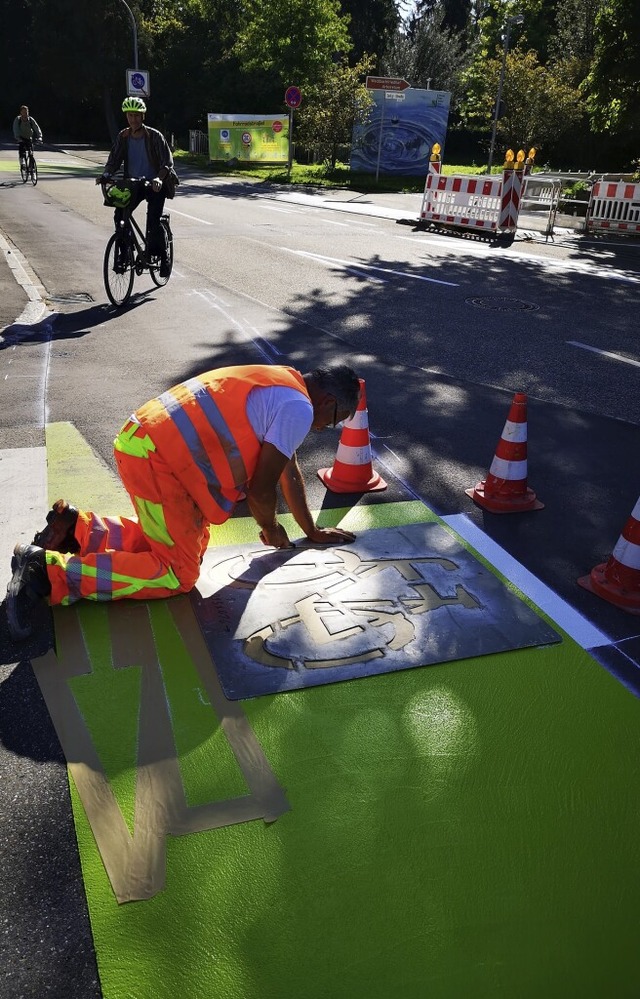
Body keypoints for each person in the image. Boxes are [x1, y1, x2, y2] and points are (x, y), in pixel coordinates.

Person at [5, 363, 362, 640]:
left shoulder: (281, 382)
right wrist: (270, 529)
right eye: (334, 422)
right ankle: (48, 572)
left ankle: (78, 531)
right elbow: (261, 490)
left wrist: (310, 530)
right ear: (328, 402)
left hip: (144, 442)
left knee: (185, 542)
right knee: (177, 573)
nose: (324, 429)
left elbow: (289, 472)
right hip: (160, 460)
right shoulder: (299, 409)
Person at [97, 96, 178, 277]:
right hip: (133, 185)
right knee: (120, 216)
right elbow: (114, 160)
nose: (133, 119)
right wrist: (106, 174)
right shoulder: (123, 136)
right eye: (130, 115)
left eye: (137, 115)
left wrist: (159, 179)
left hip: (155, 184)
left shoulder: (155, 136)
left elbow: (167, 162)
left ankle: (163, 257)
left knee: (153, 222)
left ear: (143, 116)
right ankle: (124, 253)